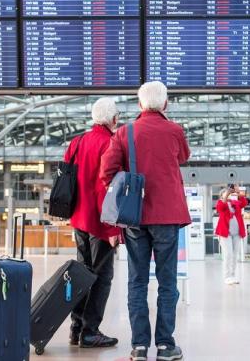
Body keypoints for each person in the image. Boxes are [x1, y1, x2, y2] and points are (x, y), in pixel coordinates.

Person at [100, 81, 190, 361]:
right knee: (167, 281)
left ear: (140, 104)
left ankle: (139, 347)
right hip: (168, 217)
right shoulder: (175, 131)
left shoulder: (125, 132)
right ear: (165, 104)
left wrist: (123, 187)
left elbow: (106, 171)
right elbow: (184, 157)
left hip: (136, 218)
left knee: (137, 282)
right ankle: (165, 346)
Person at [64, 97, 121, 348]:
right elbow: (105, 189)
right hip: (100, 223)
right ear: (114, 119)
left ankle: (76, 327)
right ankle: (90, 331)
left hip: (79, 219)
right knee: (101, 277)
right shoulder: (110, 143)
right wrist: (112, 228)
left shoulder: (76, 142)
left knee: (81, 273)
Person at [215, 185, 248, 285]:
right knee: (228, 254)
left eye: (229, 193)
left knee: (234, 255)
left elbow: (244, 203)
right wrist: (226, 195)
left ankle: (232, 275)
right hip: (225, 234)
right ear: (222, 195)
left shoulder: (235, 203)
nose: (229, 194)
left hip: (237, 233)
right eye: (226, 193)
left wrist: (238, 192)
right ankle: (227, 276)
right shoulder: (220, 203)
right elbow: (220, 208)